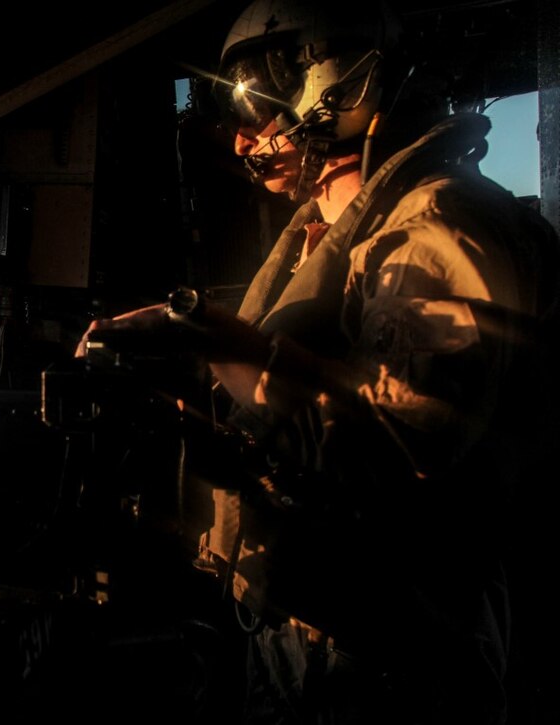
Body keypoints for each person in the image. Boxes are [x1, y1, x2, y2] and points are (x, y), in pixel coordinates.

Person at [77, 1, 560, 723]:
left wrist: (204, 331)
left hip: (396, 650)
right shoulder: (327, 231)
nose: (243, 135)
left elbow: (404, 443)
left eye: (259, 98)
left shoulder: (440, 224)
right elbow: (291, 395)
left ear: (336, 82)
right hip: (314, 620)